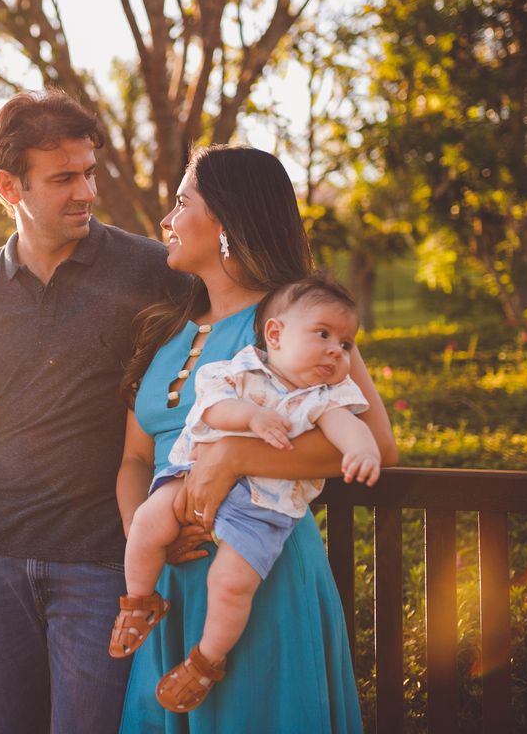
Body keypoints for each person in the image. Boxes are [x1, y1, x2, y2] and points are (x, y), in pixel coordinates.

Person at [116, 145, 397, 732]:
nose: (166, 222)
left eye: (180, 202)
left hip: (260, 572)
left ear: (226, 220)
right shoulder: (169, 330)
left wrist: (236, 454)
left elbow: (375, 443)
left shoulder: (296, 322)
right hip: (166, 583)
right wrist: (149, 540)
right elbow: (136, 458)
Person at [0, 88, 191, 734]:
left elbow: (246, 326)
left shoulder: (152, 269)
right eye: (63, 178)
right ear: (10, 187)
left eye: (88, 173)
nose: (86, 191)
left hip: (101, 565)